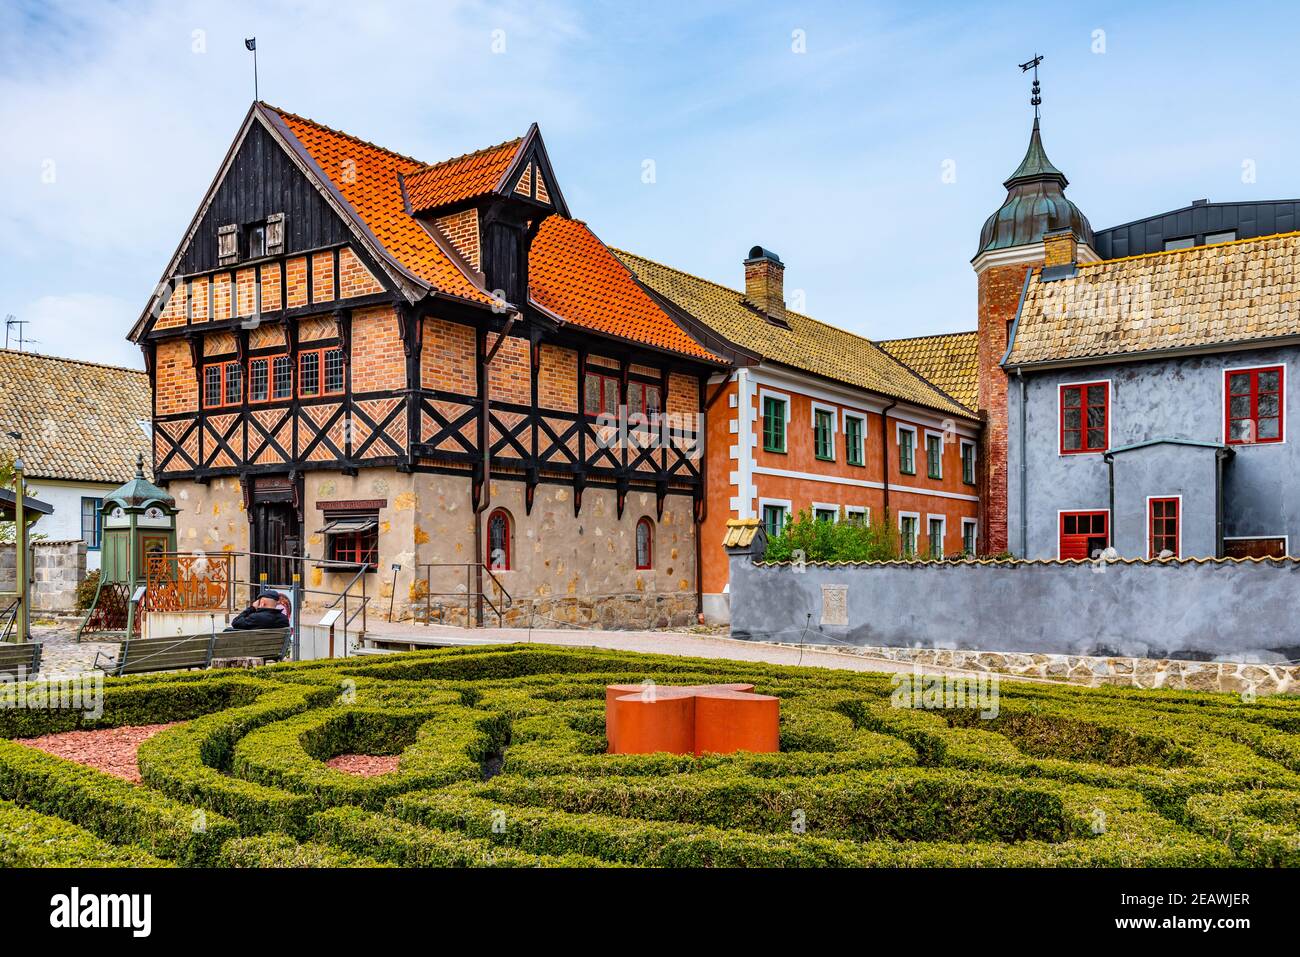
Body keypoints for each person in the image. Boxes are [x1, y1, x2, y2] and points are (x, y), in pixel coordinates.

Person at [226, 589, 291, 630]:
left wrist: (252, 608)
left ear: (262, 603)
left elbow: (235, 623)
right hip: (275, 651)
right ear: (276, 604)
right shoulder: (284, 619)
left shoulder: (256, 618)